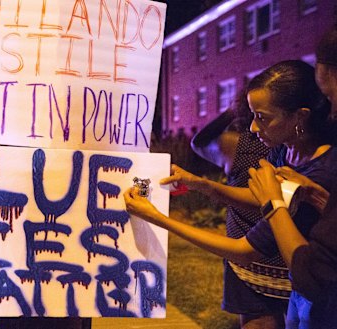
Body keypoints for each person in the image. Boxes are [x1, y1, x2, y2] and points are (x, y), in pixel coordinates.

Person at [124, 60, 335, 328]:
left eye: (263, 117)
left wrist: (156, 218)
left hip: (320, 299)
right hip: (300, 293)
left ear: (300, 117)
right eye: (253, 115)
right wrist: (202, 184)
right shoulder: (287, 150)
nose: (253, 128)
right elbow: (260, 197)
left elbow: (244, 249)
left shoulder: (322, 172)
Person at [246, 27, 337, 328]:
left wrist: (273, 203)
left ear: (299, 117)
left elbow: (312, 271)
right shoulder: (284, 153)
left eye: (332, 95)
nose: (332, 111)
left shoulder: (324, 166)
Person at [191, 92, 289, 328]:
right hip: (286, 252)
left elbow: (199, 142)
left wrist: (230, 111)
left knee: (258, 322)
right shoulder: (293, 148)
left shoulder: (238, 145)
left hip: (247, 257)